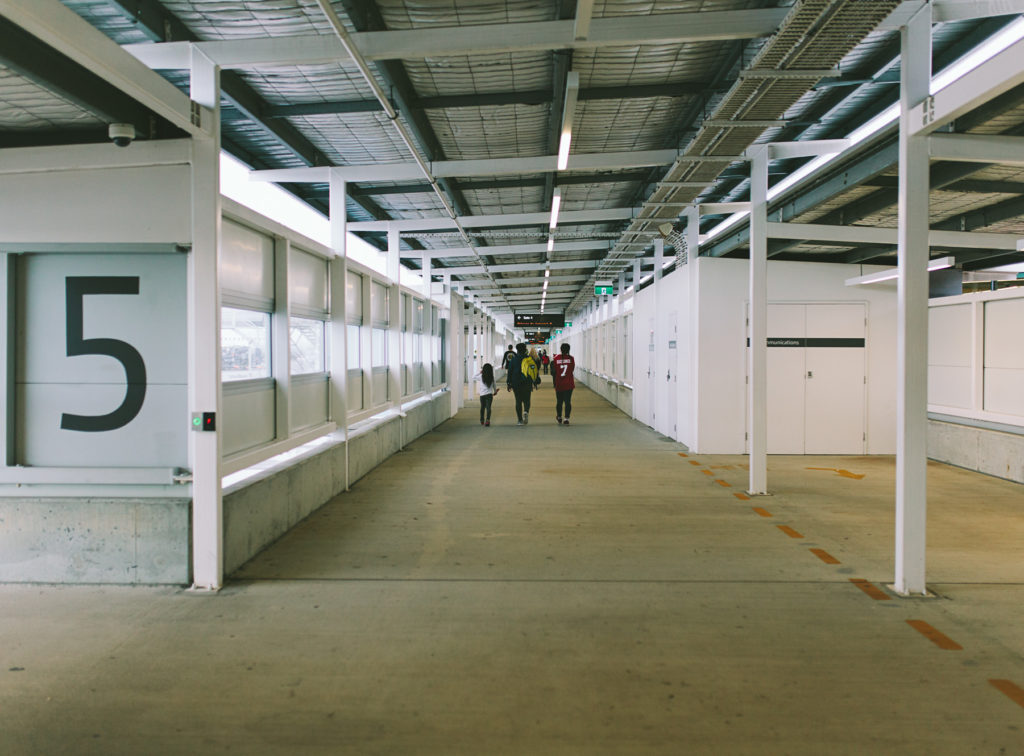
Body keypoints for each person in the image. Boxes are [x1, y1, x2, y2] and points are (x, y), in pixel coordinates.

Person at [508, 343, 537, 425]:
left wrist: (509, 383)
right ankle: (526, 411)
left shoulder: (514, 359)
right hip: (527, 382)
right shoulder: (529, 359)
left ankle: (520, 420)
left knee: (518, 401)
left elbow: (510, 371)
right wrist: (534, 381)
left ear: (517, 350)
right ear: (525, 350)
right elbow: (533, 371)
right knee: (527, 399)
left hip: (516, 382)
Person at [551, 342, 576, 425]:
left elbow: (554, 371)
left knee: (559, 401)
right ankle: (566, 418)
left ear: (561, 349)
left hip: (559, 383)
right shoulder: (571, 358)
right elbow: (572, 369)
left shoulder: (556, 358)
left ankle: (559, 416)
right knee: (567, 401)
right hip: (569, 383)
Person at [474, 362, 497, 426]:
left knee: (482, 407)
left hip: (482, 395)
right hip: (489, 395)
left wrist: (479, 372)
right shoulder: (492, 377)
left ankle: (482, 420)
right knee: (488, 408)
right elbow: (494, 386)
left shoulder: (481, 376)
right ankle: (488, 420)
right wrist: (495, 392)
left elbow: (473, 377)